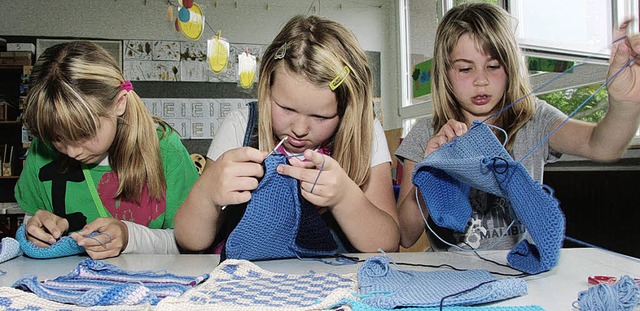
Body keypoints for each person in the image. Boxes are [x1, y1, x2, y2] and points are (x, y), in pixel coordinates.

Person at [395, 3, 640, 251]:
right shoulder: (427, 133)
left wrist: (625, 104)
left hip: (523, 275)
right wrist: (431, 171)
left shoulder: (534, 120)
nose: (481, 80)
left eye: (493, 66)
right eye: (465, 69)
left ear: (510, 66)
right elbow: (406, 235)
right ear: (445, 73)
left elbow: (602, 147)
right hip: (449, 278)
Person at [175, 15, 400, 254]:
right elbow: (190, 241)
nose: (300, 129)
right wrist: (207, 194)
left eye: (321, 117)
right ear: (267, 88)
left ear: (346, 111)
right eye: (286, 109)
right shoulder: (239, 126)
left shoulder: (365, 132)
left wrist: (345, 198)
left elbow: (388, 245)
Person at [15, 41, 200, 259]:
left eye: (85, 134)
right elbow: (30, 219)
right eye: (58, 139)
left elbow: (191, 244)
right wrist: (35, 230)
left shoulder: (166, 150)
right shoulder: (41, 150)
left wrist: (129, 237)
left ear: (119, 103)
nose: (72, 152)